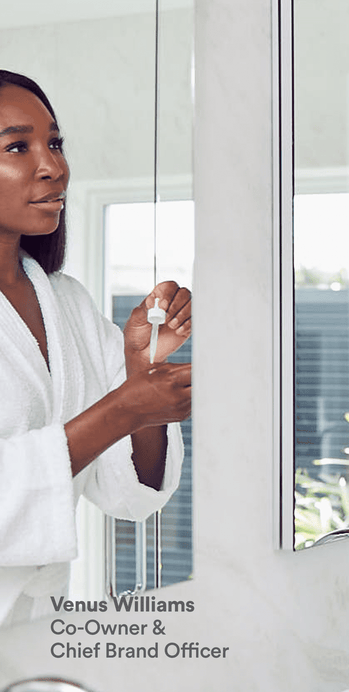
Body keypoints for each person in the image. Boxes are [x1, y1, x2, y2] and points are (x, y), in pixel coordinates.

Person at [0, 70, 192, 626]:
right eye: (18, 146)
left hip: (34, 624)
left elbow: (131, 493)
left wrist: (140, 370)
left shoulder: (68, 304)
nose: (53, 166)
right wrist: (125, 406)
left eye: (54, 142)